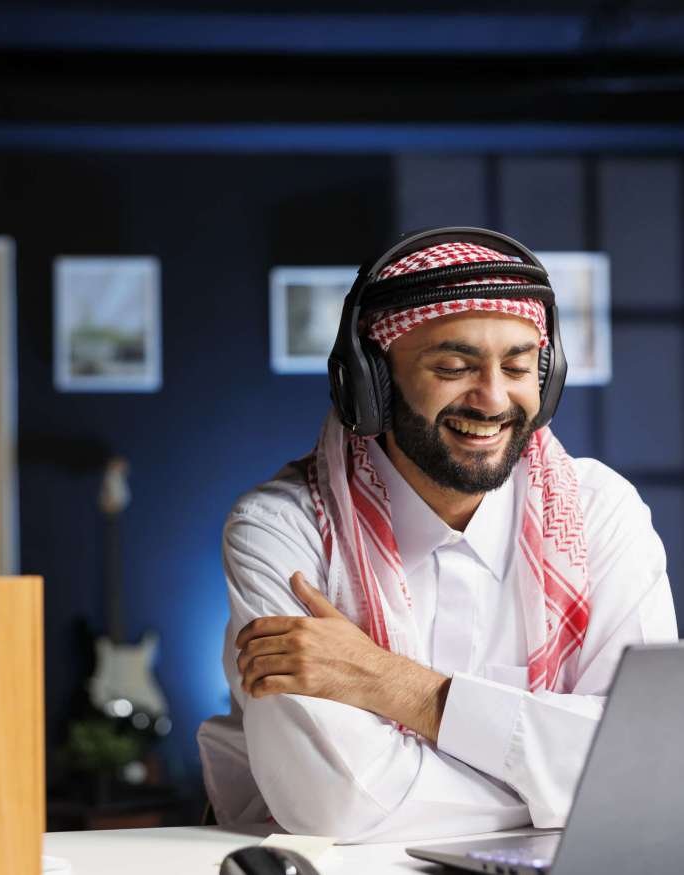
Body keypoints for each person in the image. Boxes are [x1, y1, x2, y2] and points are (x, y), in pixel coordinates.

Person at [198, 227, 677, 843]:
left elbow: (649, 764)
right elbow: (336, 806)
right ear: (371, 383)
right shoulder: (281, 531)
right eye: (453, 367)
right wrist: (566, 781)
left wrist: (392, 684)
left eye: (518, 366)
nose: (492, 399)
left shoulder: (601, 512)